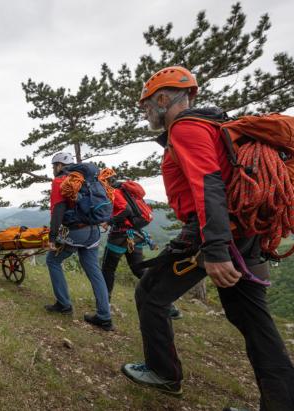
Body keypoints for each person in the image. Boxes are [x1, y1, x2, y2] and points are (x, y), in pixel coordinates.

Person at [121, 66, 294, 409]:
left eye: (146, 107)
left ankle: (164, 373)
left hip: (213, 235)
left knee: (150, 293)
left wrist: (215, 249)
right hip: (244, 234)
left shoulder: (185, 127)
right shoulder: (213, 125)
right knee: (251, 318)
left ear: (162, 98)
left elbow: (208, 184)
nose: (146, 114)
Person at [44, 152, 113, 331]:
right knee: (94, 271)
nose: (53, 169)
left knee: (52, 260)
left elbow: (58, 209)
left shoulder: (60, 181)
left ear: (59, 165)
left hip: (76, 231)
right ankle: (105, 317)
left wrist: (52, 236)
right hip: (93, 231)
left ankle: (63, 304)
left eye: (54, 166)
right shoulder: (85, 180)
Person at [101, 180, 182, 319]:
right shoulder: (129, 193)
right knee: (139, 270)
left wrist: (109, 222)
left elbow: (126, 210)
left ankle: (104, 306)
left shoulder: (114, 192)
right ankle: (168, 305)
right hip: (136, 235)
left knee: (108, 270)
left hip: (119, 236)